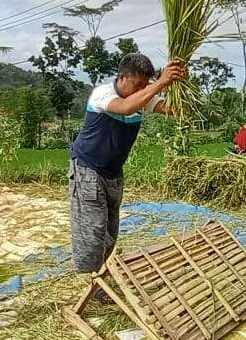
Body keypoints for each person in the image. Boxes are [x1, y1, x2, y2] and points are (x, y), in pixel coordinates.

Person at [69, 53, 186, 277]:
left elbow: (175, 110)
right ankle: (88, 282)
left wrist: (180, 82)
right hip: (88, 170)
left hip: (113, 173)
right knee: (92, 230)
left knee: (110, 231)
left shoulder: (142, 97)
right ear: (122, 77)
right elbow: (125, 108)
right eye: (137, 84)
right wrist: (161, 82)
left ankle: (102, 278)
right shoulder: (102, 94)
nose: (142, 89)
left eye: (145, 84)